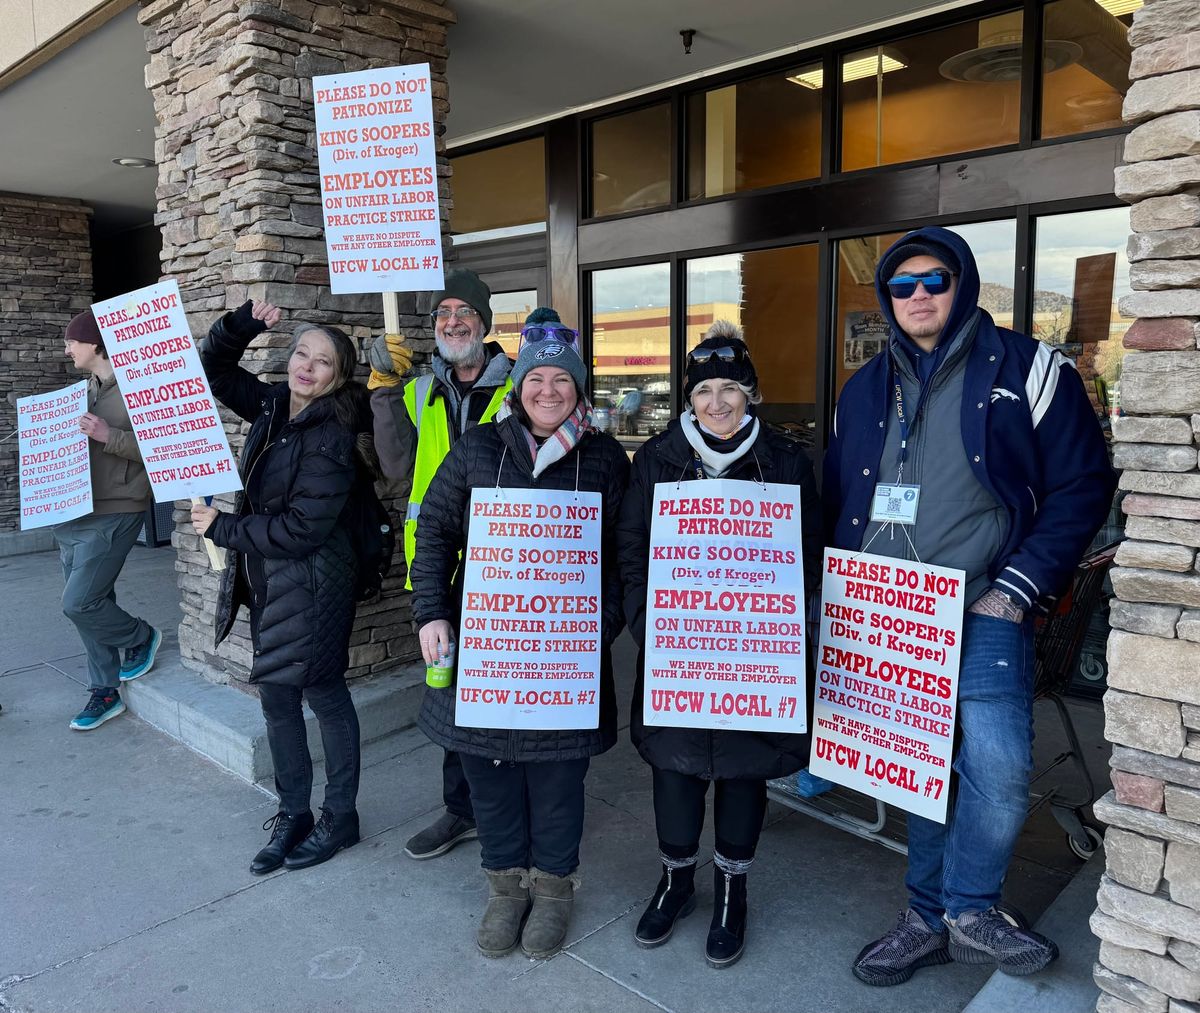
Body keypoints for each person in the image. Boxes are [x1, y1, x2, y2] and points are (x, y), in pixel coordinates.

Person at [824, 227, 1116, 984]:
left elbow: (1083, 483)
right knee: (918, 768)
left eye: (934, 279)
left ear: (964, 283)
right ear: (887, 299)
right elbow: (839, 498)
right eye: (901, 285)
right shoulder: (862, 387)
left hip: (984, 607)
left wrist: (1016, 590)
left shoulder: (1029, 367)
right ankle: (928, 916)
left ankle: (971, 908)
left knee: (1001, 770)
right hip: (888, 615)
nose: (918, 295)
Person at [410, 310, 629, 960]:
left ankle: (554, 889)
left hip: (566, 659)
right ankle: (505, 887)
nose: (549, 390)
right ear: (521, 385)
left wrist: (599, 626)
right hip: (485, 654)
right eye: (538, 378)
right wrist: (431, 613)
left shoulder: (606, 458)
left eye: (563, 380)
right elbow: (435, 534)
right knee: (492, 776)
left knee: (559, 781)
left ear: (579, 390)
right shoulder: (480, 446)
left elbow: (626, 555)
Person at [616, 322, 822, 968]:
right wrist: (650, 622)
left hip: (753, 656)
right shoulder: (656, 459)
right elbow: (633, 548)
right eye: (705, 390)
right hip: (680, 649)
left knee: (742, 771)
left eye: (731, 387)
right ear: (688, 400)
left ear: (752, 394)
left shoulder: (786, 462)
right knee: (674, 767)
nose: (718, 402)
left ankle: (733, 887)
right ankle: (677, 879)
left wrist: (787, 628)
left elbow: (809, 556)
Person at [192, 300, 373, 875]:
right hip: (275, 580)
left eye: (322, 362)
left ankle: (339, 816)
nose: (306, 367)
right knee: (276, 695)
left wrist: (223, 528)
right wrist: (242, 324)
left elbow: (302, 528)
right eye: (301, 353)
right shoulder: (275, 406)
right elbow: (213, 372)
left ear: (338, 377)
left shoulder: (334, 435)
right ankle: (295, 811)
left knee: (322, 693)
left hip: (315, 584)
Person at [368, 268, 511, 861]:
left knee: (504, 693)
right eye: (443, 313)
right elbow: (397, 466)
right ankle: (462, 811)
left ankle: (505, 810)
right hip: (438, 566)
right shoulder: (418, 388)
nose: (452, 322)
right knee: (448, 690)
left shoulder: (522, 385)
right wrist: (381, 390)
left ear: (485, 323)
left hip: (505, 564)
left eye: (465, 312)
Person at [56, 310, 162, 731]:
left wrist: (108, 436)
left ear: (95, 344)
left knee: (78, 602)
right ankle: (104, 690)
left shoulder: (139, 388)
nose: (66, 349)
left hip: (119, 508)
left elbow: (160, 447)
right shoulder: (83, 391)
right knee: (94, 603)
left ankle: (141, 637)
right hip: (74, 513)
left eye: (72, 342)